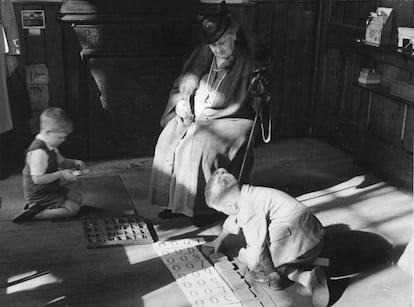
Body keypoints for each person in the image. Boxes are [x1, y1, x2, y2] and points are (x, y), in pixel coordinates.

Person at [149, 1, 267, 226]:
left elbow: (254, 97)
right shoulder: (206, 54)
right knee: (170, 137)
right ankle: (176, 203)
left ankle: (204, 208)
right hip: (199, 114)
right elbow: (183, 83)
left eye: (222, 43)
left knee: (199, 142)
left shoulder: (248, 59)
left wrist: (262, 88)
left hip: (233, 116)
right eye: (213, 46)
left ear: (234, 35)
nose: (218, 50)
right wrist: (182, 103)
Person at [203, 168, 330, 307]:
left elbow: (258, 250)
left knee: (261, 265)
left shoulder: (248, 210)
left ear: (230, 205)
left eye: (221, 210)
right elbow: (233, 218)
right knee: (258, 254)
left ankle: (307, 278)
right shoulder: (247, 193)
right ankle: (319, 261)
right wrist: (218, 240)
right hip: (315, 236)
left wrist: (259, 268)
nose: (223, 213)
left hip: (304, 243)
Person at [13, 108, 85, 223]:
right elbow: (37, 179)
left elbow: (61, 161)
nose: (63, 140)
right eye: (60, 137)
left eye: (64, 137)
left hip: (50, 187)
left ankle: (39, 207)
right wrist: (61, 174)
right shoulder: (39, 153)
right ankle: (36, 214)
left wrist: (74, 162)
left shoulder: (51, 144)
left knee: (78, 198)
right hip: (39, 192)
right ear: (47, 132)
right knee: (73, 209)